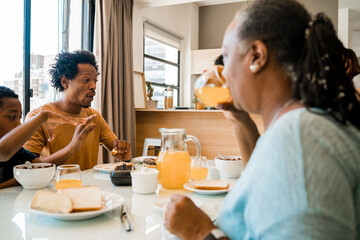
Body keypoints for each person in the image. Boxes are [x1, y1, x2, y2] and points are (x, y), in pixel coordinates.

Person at [165, 0, 360, 239]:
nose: (222, 73)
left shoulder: (300, 141)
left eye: (226, 57)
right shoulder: (299, 125)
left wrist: (200, 232)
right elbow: (263, 188)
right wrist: (240, 119)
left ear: (256, 56)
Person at [23, 50, 131, 170]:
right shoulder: (37, 117)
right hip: (53, 188)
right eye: (86, 80)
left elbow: (117, 151)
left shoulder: (94, 116)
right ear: (65, 82)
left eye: (95, 81)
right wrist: (71, 148)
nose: (93, 86)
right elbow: (28, 168)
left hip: (89, 187)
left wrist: (124, 156)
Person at [0, 86, 95, 189]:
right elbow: (3, 151)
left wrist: (72, 147)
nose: (19, 125)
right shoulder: (6, 149)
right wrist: (43, 116)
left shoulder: (17, 150)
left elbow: (39, 168)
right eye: (12, 117)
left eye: (19, 118)